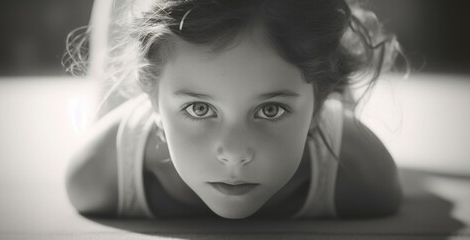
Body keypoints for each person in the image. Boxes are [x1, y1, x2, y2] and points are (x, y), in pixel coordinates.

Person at [65, 0, 405, 219]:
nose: (234, 154)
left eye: (270, 110)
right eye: (199, 108)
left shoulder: (367, 174)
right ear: (152, 101)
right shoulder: (97, 174)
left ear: (318, 107)